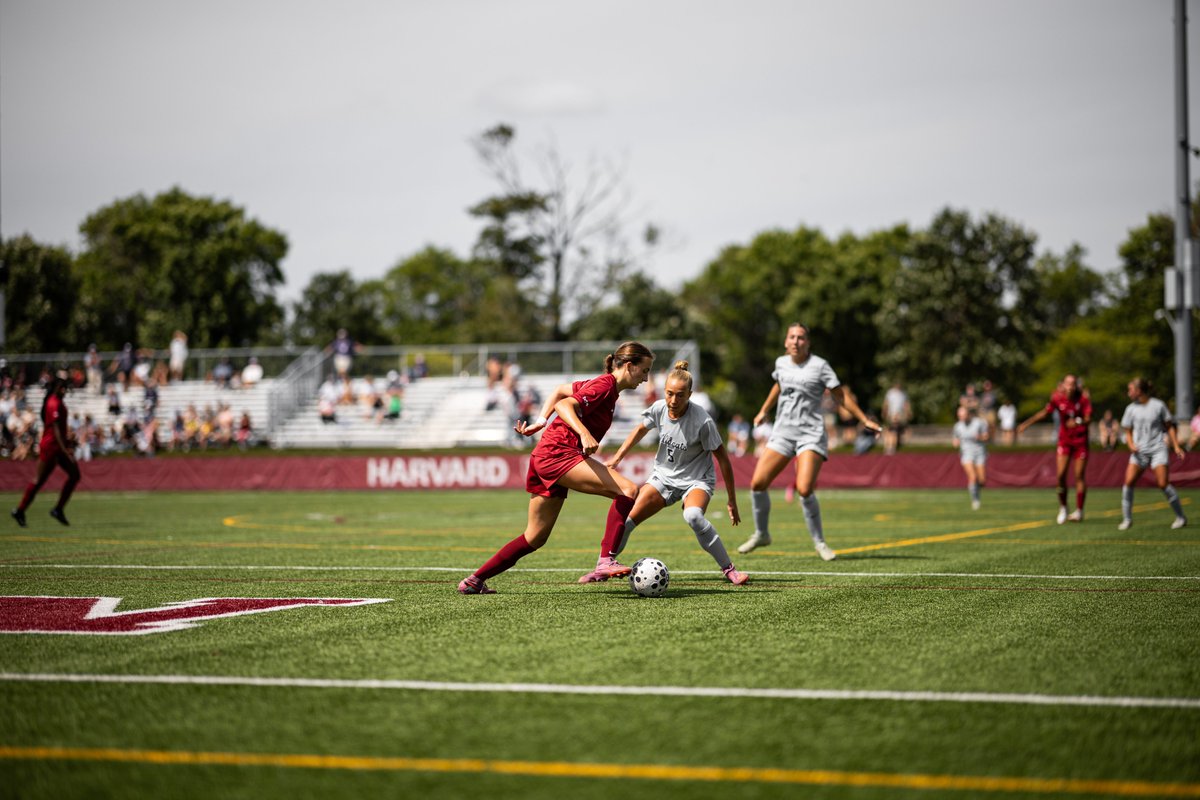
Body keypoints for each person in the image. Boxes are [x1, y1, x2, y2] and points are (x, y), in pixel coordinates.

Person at [457, 342, 655, 594]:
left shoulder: (604, 386)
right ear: (629, 366)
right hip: (558, 454)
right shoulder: (604, 386)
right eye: (644, 370)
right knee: (627, 490)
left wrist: (540, 421)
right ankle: (605, 561)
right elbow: (564, 405)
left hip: (546, 455)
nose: (646, 378)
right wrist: (583, 433)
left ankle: (474, 580)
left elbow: (559, 391)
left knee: (535, 537)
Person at [737, 323, 882, 560]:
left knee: (804, 489)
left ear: (808, 343)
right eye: (792, 337)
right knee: (758, 484)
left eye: (801, 337)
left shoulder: (820, 366)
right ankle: (762, 534)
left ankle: (820, 542)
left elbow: (840, 395)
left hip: (810, 434)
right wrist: (764, 410)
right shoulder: (781, 363)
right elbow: (778, 385)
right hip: (783, 433)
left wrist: (864, 419)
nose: (796, 341)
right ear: (786, 342)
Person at [599, 361, 748, 585]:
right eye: (669, 394)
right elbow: (640, 429)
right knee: (627, 521)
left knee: (693, 516)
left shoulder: (703, 421)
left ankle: (729, 569)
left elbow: (724, 461)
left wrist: (732, 500)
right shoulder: (659, 408)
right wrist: (618, 457)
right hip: (663, 478)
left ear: (690, 394)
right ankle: (602, 567)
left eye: (680, 395)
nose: (673, 400)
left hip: (696, 480)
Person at [1017, 373, 1092, 523]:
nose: (1070, 387)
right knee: (1060, 476)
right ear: (1063, 385)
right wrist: (1026, 423)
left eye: (1072, 384)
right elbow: (1044, 413)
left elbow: (1088, 419)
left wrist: (1078, 422)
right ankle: (1063, 507)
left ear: (1076, 385)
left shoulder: (1083, 400)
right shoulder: (1058, 399)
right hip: (1064, 441)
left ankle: (1079, 511)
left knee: (1079, 476)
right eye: (1067, 384)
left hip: (1080, 442)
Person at [1117, 378, 1187, 530]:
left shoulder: (1158, 405)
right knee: (1128, 483)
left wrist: (1175, 446)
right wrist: (1131, 445)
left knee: (1163, 483)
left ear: (1139, 390)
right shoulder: (1130, 409)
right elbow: (1127, 431)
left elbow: (1169, 427)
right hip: (1139, 452)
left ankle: (1181, 517)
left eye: (1131, 389)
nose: (1129, 392)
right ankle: (1127, 519)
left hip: (1157, 450)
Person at [11, 374, 80, 527]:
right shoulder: (53, 403)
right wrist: (65, 449)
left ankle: (58, 509)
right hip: (51, 447)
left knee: (75, 475)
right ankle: (20, 510)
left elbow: (59, 430)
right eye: (64, 389)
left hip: (58, 447)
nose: (65, 392)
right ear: (58, 389)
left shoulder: (58, 402)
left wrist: (68, 441)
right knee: (38, 481)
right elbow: (55, 429)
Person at [951, 405, 989, 510]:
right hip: (966, 453)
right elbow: (955, 439)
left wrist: (980, 437)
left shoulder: (979, 423)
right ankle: (975, 500)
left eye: (963, 416)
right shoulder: (958, 426)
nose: (961, 418)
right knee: (972, 477)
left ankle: (976, 490)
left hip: (980, 452)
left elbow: (986, 437)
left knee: (982, 480)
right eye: (959, 416)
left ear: (968, 414)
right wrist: (955, 442)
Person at [882, 381, 911, 455]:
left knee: (894, 430)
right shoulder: (890, 393)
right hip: (891, 414)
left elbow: (906, 404)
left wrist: (908, 412)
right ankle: (889, 446)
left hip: (899, 414)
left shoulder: (903, 394)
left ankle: (891, 447)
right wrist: (885, 412)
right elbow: (886, 403)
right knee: (891, 430)